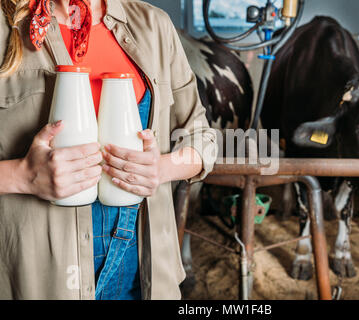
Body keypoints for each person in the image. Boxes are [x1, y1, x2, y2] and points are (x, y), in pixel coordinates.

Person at [0, 0, 217, 299]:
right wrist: (21, 176)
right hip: (40, 281)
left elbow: (202, 137)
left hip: (144, 276)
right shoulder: (5, 26)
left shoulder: (153, 25)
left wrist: (162, 168)